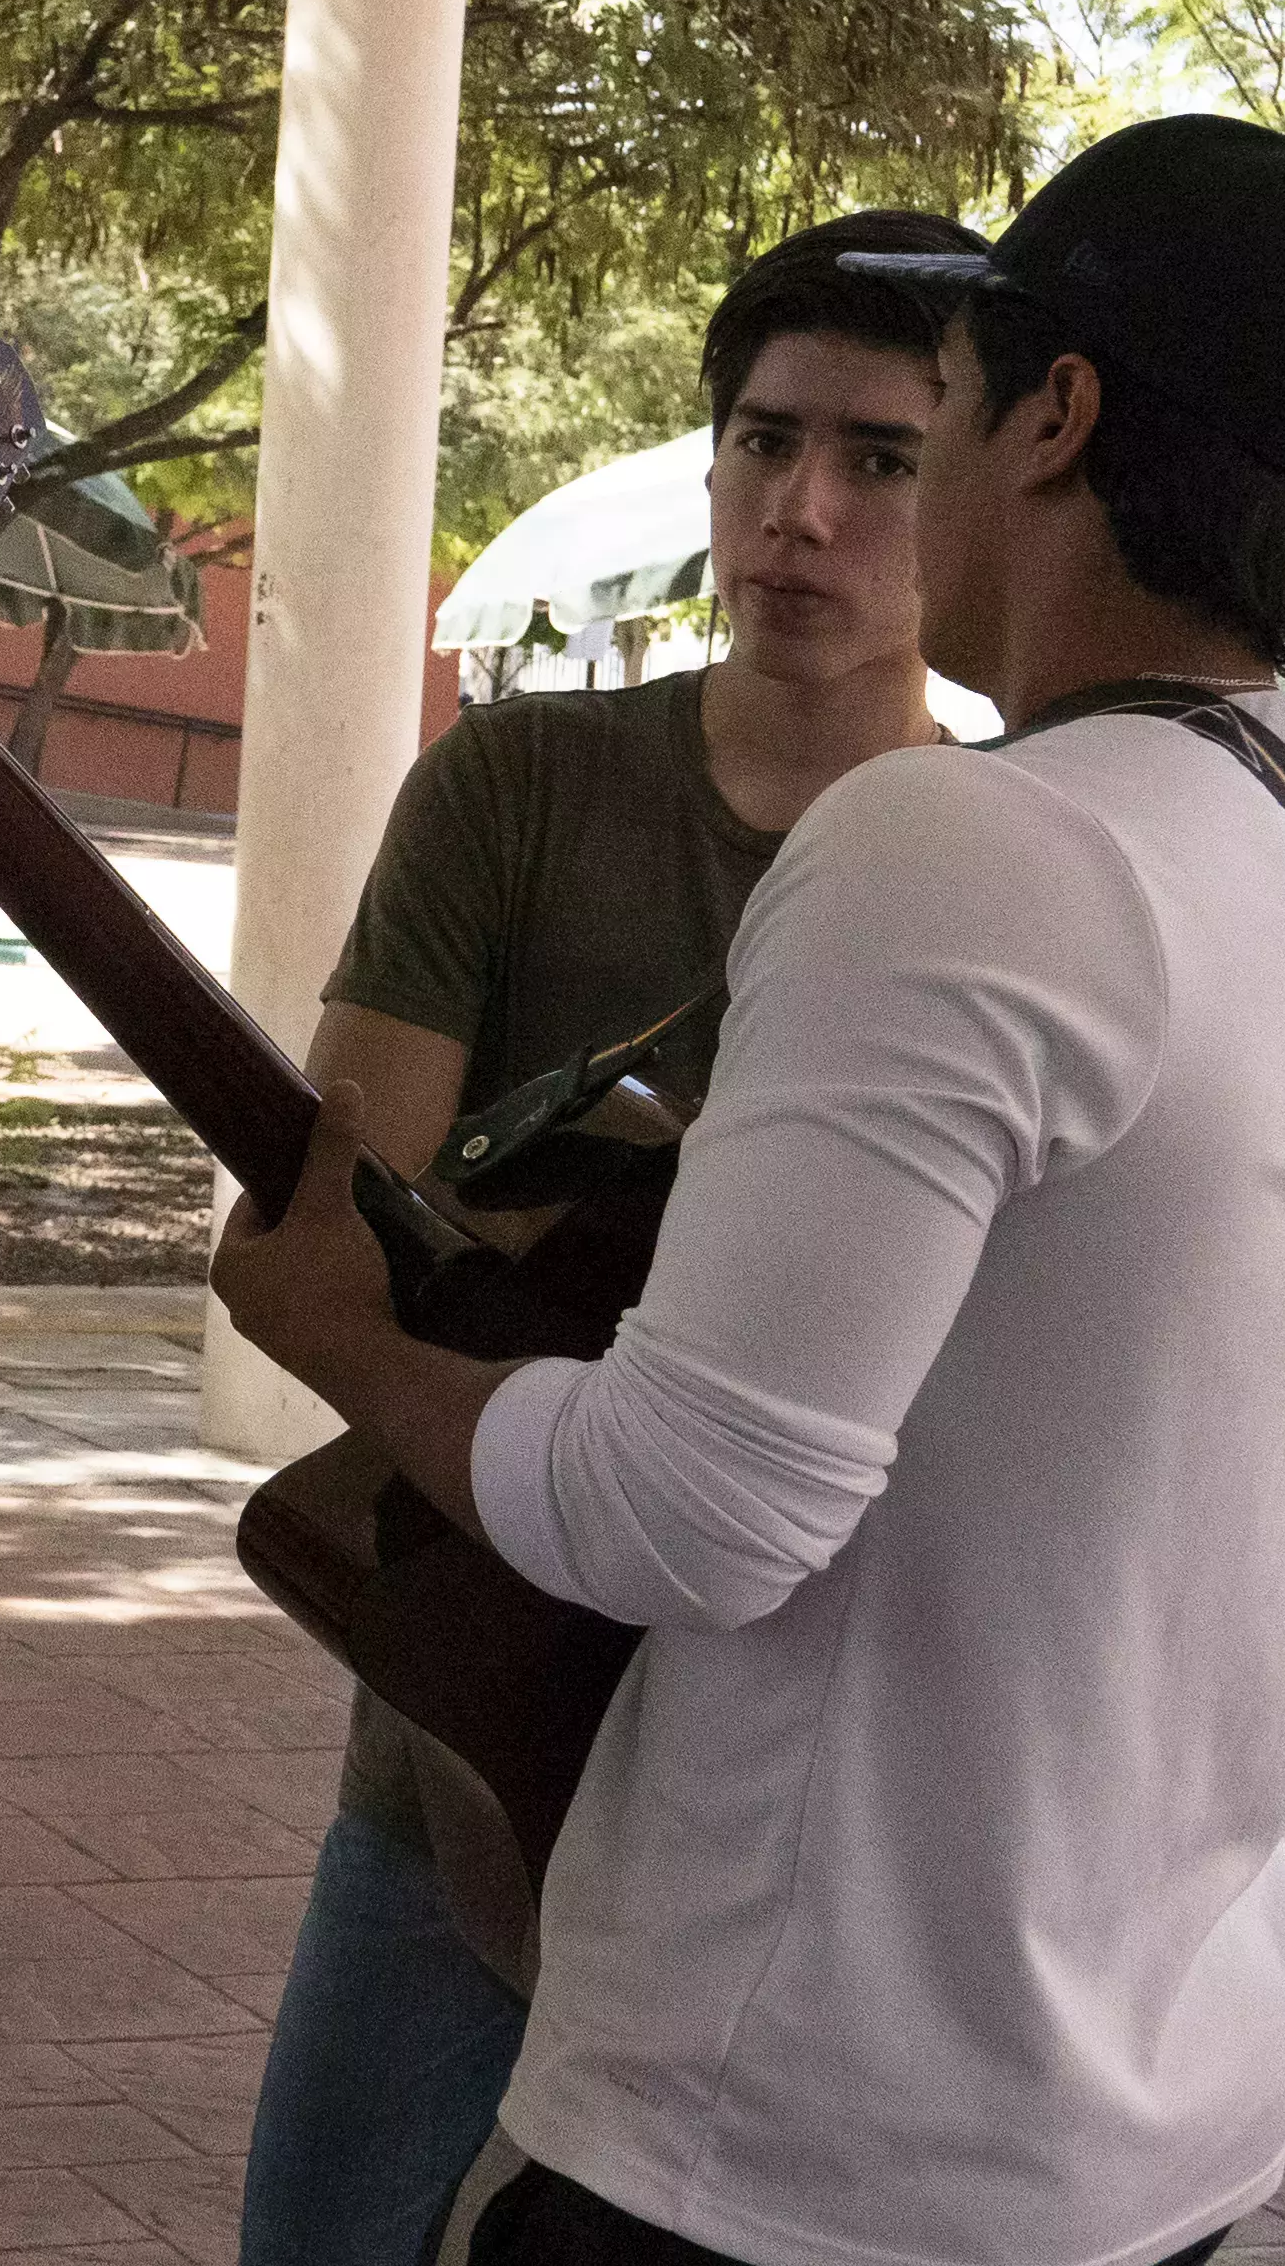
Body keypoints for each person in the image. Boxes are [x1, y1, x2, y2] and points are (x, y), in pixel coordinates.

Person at [216, 114, 1285, 2266]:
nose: (838, 501)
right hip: (1143, 2125)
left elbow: (689, 1511)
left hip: (788, 2136)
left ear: (1055, 416)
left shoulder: (970, 847)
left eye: (935, 419)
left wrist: (329, 1328)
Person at [235, 210, 986, 2266]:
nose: (803, 512)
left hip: (820, 1780)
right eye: (763, 442)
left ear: (992, 472)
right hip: (483, 1704)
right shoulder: (527, 787)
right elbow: (358, 1232)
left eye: (884, 459)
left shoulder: (1016, 863)